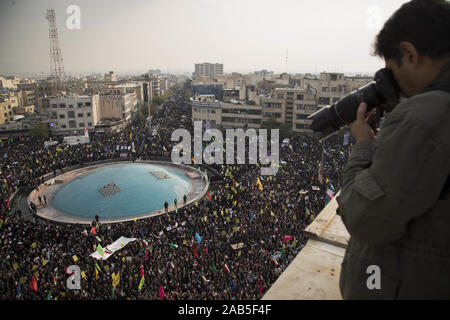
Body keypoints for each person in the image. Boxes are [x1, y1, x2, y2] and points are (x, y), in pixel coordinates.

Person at [338, 0, 450, 299]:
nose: (395, 86)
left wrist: (363, 144)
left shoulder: (426, 115)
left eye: (392, 72)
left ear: (410, 54)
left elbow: (363, 218)